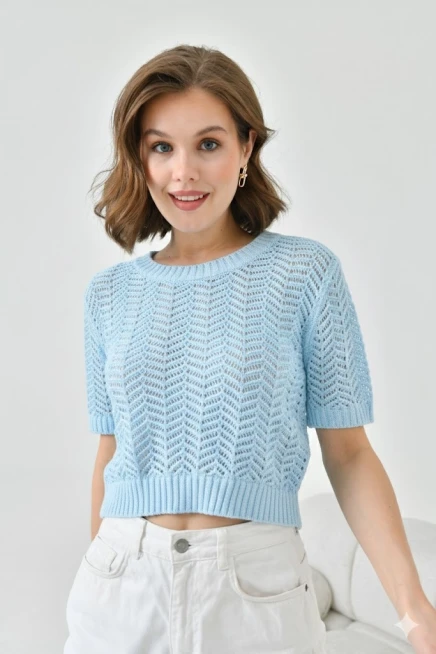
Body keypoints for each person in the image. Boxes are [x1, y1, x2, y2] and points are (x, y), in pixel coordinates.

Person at [64, 44, 374, 654]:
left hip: (256, 592)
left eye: (208, 143)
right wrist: (102, 568)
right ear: (139, 158)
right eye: (161, 147)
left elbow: (351, 456)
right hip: (120, 586)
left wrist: (415, 611)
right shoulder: (108, 295)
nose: (183, 172)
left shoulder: (305, 274)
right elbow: (112, 450)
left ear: (246, 147)